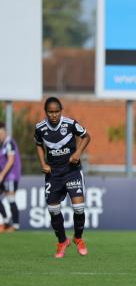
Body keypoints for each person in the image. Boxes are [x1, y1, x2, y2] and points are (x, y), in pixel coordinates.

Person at [34, 97, 91, 258]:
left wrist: (78, 153)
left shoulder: (70, 124)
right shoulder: (40, 128)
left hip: (72, 171)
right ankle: (62, 241)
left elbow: (87, 136)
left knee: (79, 208)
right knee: (53, 210)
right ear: (46, 112)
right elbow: (38, 144)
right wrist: (43, 163)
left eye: (56, 111)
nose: (53, 115)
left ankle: (78, 238)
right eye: (50, 112)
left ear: (61, 111)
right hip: (53, 174)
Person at [0, 122, 22, 232]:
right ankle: (6, 222)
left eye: (1, 133)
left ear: (4, 132)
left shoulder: (9, 143)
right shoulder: (3, 145)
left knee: (11, 199)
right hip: (5, 177)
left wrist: (2, 175)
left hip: (11, 177)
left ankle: (15, 225)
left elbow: (11, 160)